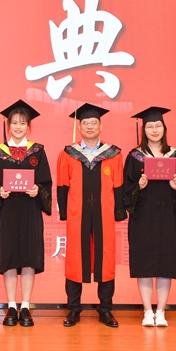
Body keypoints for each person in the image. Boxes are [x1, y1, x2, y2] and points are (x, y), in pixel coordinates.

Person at [57, 103, 126, 328]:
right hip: (77, 214)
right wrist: (65, 212)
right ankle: (73, 309)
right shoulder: (68, 154)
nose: (89, 126)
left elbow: (119, 185)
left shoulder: (113, 154)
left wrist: (118, 212)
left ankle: (105, 309)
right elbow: (62, 185)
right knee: (75, 258)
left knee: (106, 258)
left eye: (93, 123)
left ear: (101, 126)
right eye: (85, 123)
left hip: (104, 214)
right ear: (79, 127)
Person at [123, 106, 176, 327]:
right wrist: (139, 186)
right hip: (143, 218)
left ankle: (161, 311)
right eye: (150, 126)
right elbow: (125, 191)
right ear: (143, 130)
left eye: (158, 126)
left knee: (165, 263)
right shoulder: (134, 157)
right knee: (144, 263)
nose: (154, 130)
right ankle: (147, 311)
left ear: (164, 128)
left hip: (168, 217)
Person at [0, 100, 52, 328]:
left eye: (22, 123)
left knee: (28, 257)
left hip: (29, 211)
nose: (18, 127)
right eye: (14, 123)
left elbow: (46, 182)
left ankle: (25, 305)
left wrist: (38, 190)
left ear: (29, 127)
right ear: (8, 125)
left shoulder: (38, 151)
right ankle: (11, 305)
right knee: (8, 258)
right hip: (7, 212)